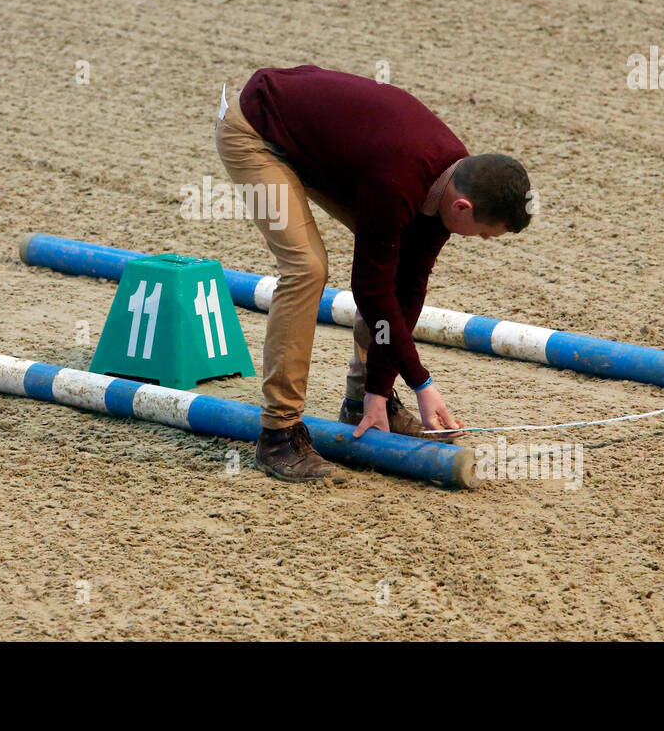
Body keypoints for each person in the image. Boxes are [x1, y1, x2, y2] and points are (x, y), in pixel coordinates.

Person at [215, 65, 531, 482]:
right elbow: (371, 289)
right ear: (463, 208)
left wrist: (379, 388)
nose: (485, 240)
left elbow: (409, 287)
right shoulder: (398, 181)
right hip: (257, 132)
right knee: (306, 268)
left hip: (322, 146)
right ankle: (279, 433)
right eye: (487, 234)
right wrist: (422, 383)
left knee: (395, 272)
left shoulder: (455, 180)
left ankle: (361, 403)